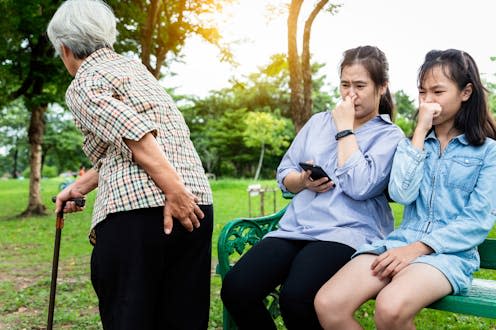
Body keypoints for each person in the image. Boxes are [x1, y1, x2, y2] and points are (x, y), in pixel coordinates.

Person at [47, 1, 213, 329]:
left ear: (65, 49)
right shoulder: (134, 70)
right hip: (196, 208)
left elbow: (134, 134)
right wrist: (80, 186)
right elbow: (131, 144)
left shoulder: (84, 80)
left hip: (143, 216)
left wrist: (174, 190)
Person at [220, 45, 405, 329]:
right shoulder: (318, 122)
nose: (349, 94)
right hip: (298, 227)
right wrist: (303, 181)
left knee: (296, 297)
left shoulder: (388, 135)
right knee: (236, 288)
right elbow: (285, 173)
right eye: (344, 85)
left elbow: (360, 186)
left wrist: (345, 129)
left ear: (382, 87)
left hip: (348, 232)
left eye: (360, 86)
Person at [314, 49, 496, 330]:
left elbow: (477, 221)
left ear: (466, 92)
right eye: (422, 92)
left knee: (390, 307)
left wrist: (418, 249)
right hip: (398, 244)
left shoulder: (488, 152)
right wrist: (420, 134)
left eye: (437, 92)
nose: (427, 101)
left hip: (450, 255)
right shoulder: (412, 146)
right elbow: (401, 194)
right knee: (329, 303)